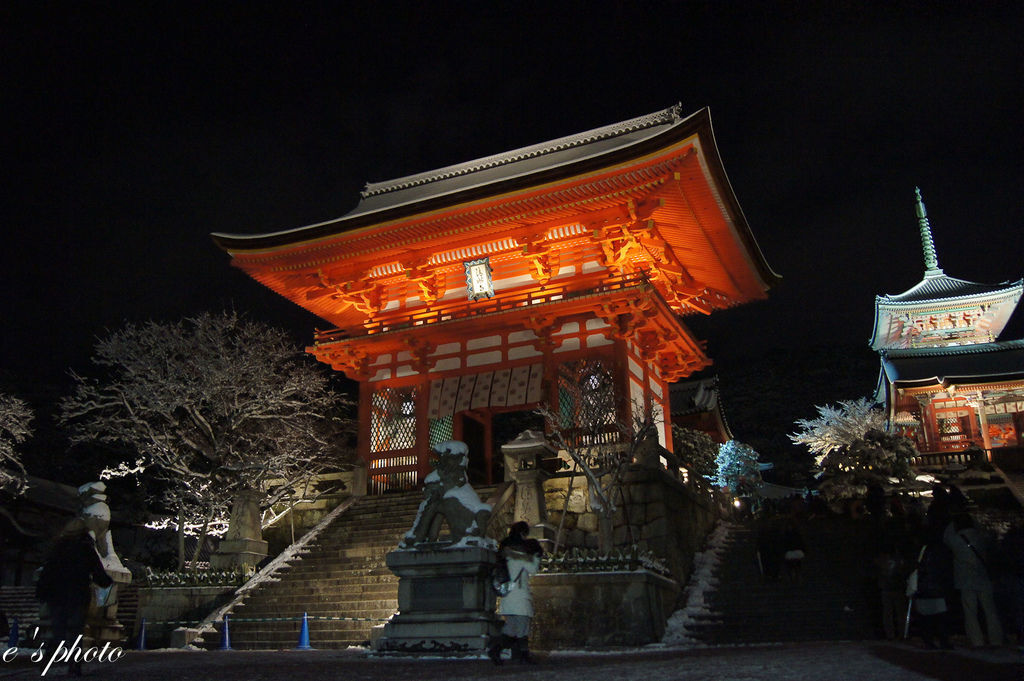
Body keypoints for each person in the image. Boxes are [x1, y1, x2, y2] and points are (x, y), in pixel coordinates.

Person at [35, 518, 113, 677]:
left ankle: (48, 658)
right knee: (76, 632)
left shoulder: (58, 547)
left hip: (56, 595)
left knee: (58, 630)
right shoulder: (86, 548)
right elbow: (97, 571)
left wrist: (42, 591)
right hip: (77, 594)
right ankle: (74, 666)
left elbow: (47, 571)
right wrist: (106, 581)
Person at [943, 512, 1003, 648]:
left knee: (970, 612)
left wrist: (952, 521)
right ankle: (996, 639)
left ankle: (977, 640)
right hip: (983, 577)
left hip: (965, 580)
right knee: (990, 611)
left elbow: (946, 537)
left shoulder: (956, 540)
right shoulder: (981, 537)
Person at [488, 523, 542, 665]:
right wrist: (535, 556)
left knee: (511, 628)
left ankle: (496, 649)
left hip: (508, 595)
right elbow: (533, 569)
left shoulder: (505, 555)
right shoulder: (521, 556)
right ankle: (523, 655)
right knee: (522, 627)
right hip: (520, 596)